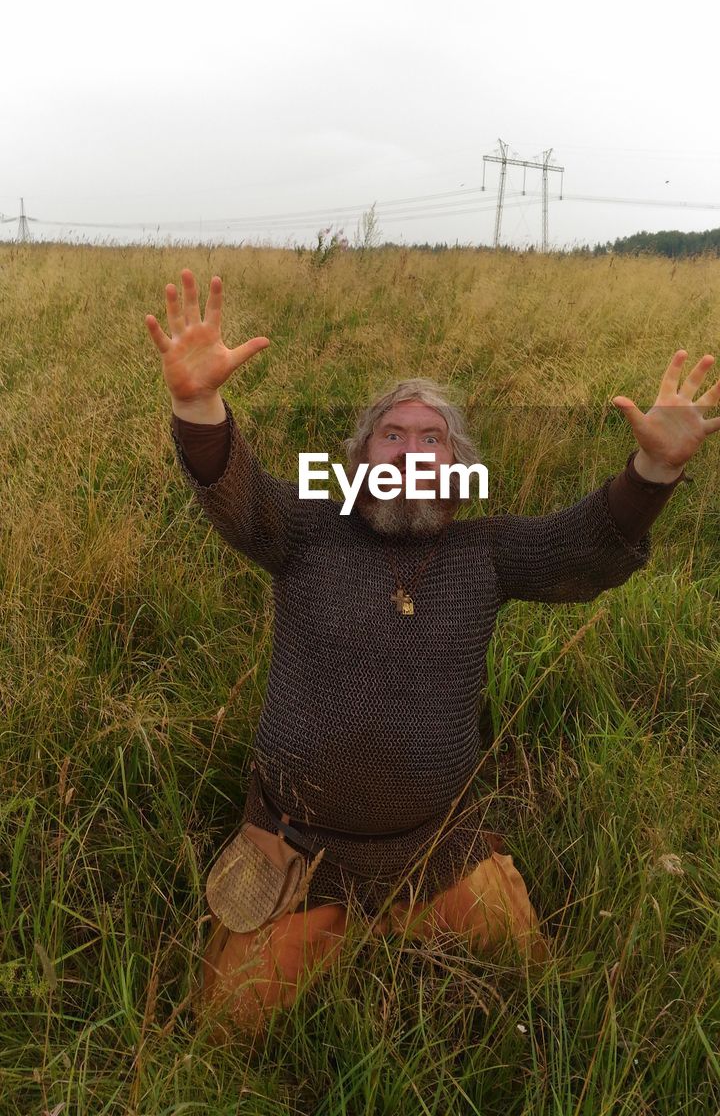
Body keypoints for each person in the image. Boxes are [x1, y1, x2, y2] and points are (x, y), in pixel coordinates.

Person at [145, 268, 719, 1040]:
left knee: (540, 990)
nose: (412, 451)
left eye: (432, 438)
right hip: (297, 852)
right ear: (360, 460)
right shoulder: (307, 530)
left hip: (436, 852)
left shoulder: (485, 552)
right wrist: (197, 404)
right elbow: (238, 493)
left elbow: (585, 549)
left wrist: (655, 471)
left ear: (457, 466)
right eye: (392, 434)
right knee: (222, 1032)